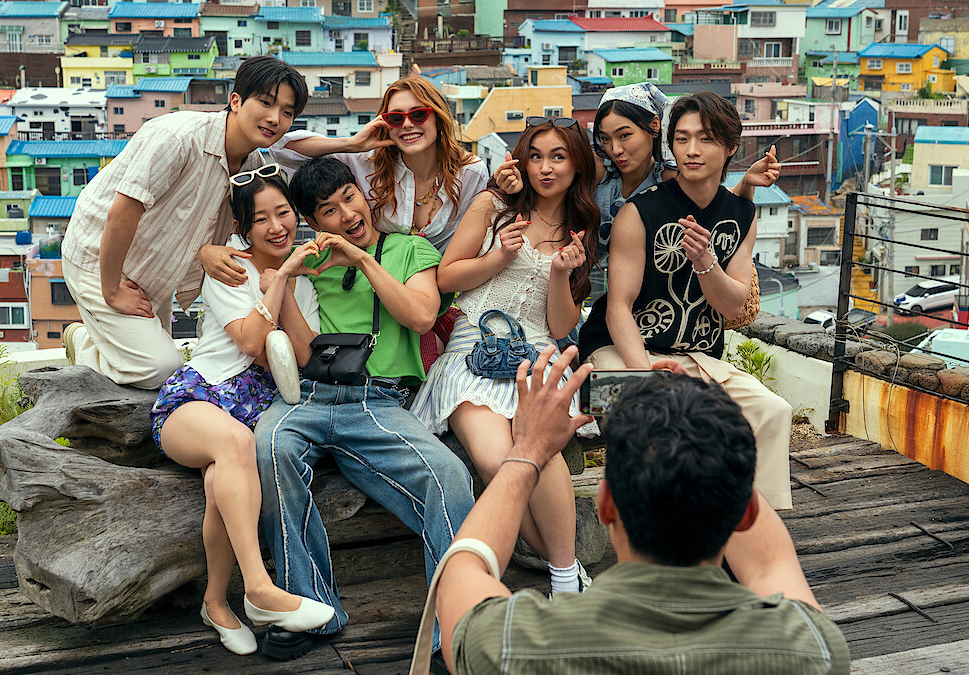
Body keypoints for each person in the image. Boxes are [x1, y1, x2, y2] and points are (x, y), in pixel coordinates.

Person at [434, 347, 849, 674]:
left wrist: (528, 451)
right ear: (746, 512)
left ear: (606, 504)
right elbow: (768, 565)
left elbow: (461, 570)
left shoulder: (514, 646)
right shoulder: (809, 649)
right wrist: (702, 413)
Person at [576, 91, 812, 604]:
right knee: (647, 420)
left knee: (772, 411)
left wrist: (706, 260)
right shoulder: (642, 212)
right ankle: (646, 567)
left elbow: (731, 307)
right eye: (681, 138)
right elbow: (617, 306)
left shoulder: (740, 215)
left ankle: (744, 550)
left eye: (705, 138)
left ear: (729, 147)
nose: (691, 149)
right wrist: (646, 374)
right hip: (617, 352)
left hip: (698, 357)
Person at [253, 157, 475, 662]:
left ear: (365, 194)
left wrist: (363, 260)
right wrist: (274, 273)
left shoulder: (409, 249)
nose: (345, 214)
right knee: (270, 447)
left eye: (349, 198)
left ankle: (456, 632)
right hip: (309, 395)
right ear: (314, 222)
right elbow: (301, 349)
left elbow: (420, 316)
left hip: (378, 400)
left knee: (448, 476)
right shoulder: (306, 260)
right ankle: (308, 607)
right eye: (328, 211)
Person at [409, 117, 600, 596]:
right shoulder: (494, 206)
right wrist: (499, 258)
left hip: (536, 353)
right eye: (535, 156)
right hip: (474, 348)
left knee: (540, 444)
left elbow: (559, 327)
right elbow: (447, 279)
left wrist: (559, 273)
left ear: (576, 163)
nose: (545, 167)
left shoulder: (582, 227)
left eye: (558, 156)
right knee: (498, 462)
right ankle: (569, 566)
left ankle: (562, 578)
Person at [148, 168, 336, 655]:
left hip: (249, 411)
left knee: (221, 481)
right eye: (261, 220)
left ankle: (215, 602)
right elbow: (253, 342)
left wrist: (289, 282)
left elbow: (300, 356)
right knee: (236, 444)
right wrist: (277, 282)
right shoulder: (228, 268)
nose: (276, 227)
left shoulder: (304, 283)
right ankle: (258, 588)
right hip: (196, 399)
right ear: (243, 229)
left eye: (284, 214)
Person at [61, 56, 307, 389]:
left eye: (287, 112)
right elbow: (121, 214)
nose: (274, 118)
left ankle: (91, 341)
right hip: (98, 259)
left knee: (153, 365)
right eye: (265, 102)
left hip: (152, 271)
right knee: (161, 367)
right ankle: (87, 347)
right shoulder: (178, 138)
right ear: (235, 100)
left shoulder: (252, 164)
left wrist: (207, 252)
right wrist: (111, 291)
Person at [493, 82, 780, 262]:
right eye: (605, 138)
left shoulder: (666, 180)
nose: (615, 149)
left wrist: (746, 185)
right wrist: (509, 182)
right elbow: (544, 178)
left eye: (624, 135)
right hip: (569, 280)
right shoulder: (597, 171)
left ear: (654, 125)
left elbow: (713, 205)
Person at [268, 76, 489, 252]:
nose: (408, 124)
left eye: (419, 114)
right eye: (396, 118)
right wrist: (352, 143)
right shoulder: (366, 162)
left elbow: (476, 240)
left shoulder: (471, 173)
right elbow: (281, 149)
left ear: (438, 118)